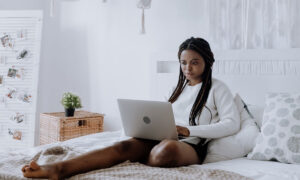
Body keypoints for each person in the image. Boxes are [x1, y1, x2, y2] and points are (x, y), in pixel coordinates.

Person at [21, 37, 240, 179]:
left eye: (194, 62)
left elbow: (232, 124)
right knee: (123, 146)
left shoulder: (218, 88)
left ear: (207, 62)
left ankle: (142, 156)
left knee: (167, 150)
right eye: (183, 62)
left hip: (190, 145)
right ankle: (59, 169)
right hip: (161, 138)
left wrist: (189, 130)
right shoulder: (176, 88)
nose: (188, 68)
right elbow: (159, 114)